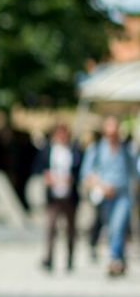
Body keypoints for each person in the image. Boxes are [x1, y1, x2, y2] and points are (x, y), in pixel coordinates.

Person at [80, 116, 135, 277]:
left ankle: (114, 259)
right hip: (105, 195)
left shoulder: (126, 149)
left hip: (122, 194)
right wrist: (101, 186)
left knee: (118, 225)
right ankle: (119, 259)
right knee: (112, 228)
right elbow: (86, 174)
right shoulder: (96, 148)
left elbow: (134, 171)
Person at [35, 124, 82, 272]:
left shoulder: (74, 151)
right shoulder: (48, 151)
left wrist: (72, 179)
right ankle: (49, 258)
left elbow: (79, 171)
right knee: (50, 227)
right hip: (53, 196)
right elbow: (39, 168)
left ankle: (70, 258)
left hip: (69, 196)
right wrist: (47, 177)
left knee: (70, 229)